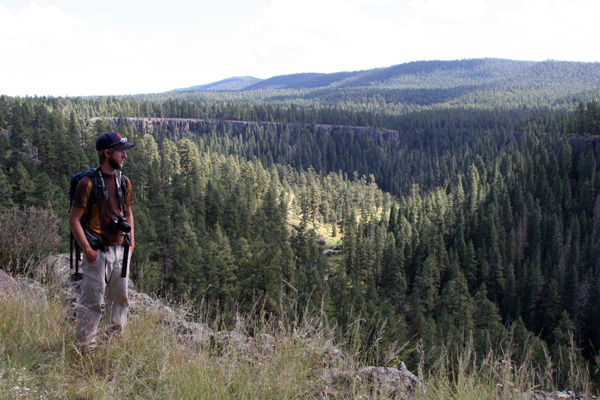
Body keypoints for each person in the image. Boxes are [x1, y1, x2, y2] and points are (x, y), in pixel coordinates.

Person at [69, 132, 135, 352]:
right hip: (98, 251)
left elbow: (128, 212)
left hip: (120, 250)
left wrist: (131, 242)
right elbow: (74, 220)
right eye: (120, 151)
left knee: (120, 299)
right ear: (107, 153)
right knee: (92, 302)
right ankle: (85, 349)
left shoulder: (123, 182)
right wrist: (87, 250)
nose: (124, 155)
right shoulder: (88, 183)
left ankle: (113, 345)